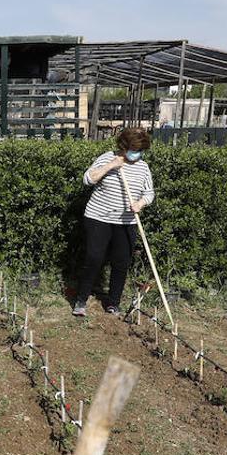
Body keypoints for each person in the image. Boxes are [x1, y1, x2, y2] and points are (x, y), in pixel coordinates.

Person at [72, 127, 155, 316]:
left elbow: (149, 193)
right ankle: (81, 300)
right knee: (94, 258)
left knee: (122, 261)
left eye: (141, 150)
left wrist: (140, 203)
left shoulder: (143, 167)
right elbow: (87, 179)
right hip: (98, 218)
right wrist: (110, 166)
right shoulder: (106, 157)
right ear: (123, 147)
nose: (137, 154)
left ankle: (113, 303)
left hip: (126, 221)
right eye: (135, 149)